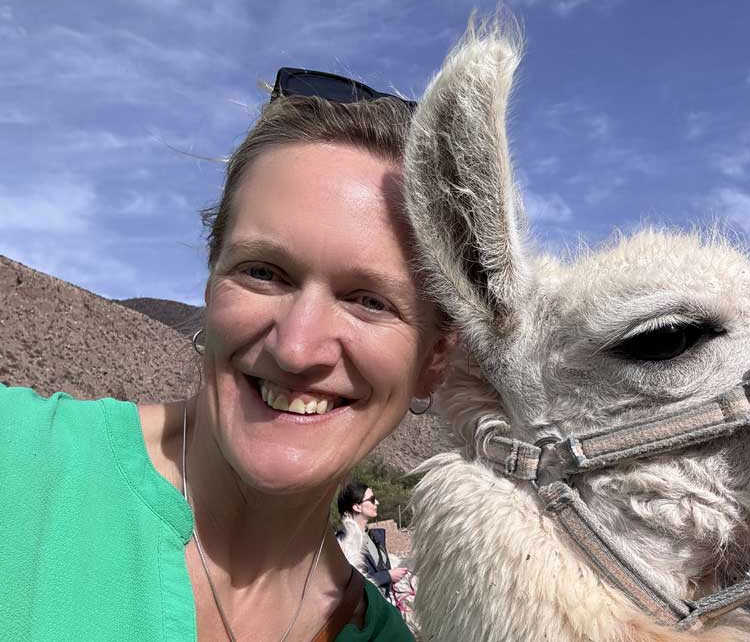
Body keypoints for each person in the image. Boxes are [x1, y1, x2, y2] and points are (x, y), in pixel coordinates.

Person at [0, 68, 451, 641]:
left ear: (434, 357)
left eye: (368, 300)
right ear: (210, 285)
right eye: (263, 272)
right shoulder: (16, 463)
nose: (296, 346)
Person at [336, 482, 408, 598]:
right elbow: (350, 584)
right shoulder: (344, 543)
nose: (377, 503)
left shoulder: (373, 537)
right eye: (372, 499)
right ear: (357, 507)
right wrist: (388, 576)